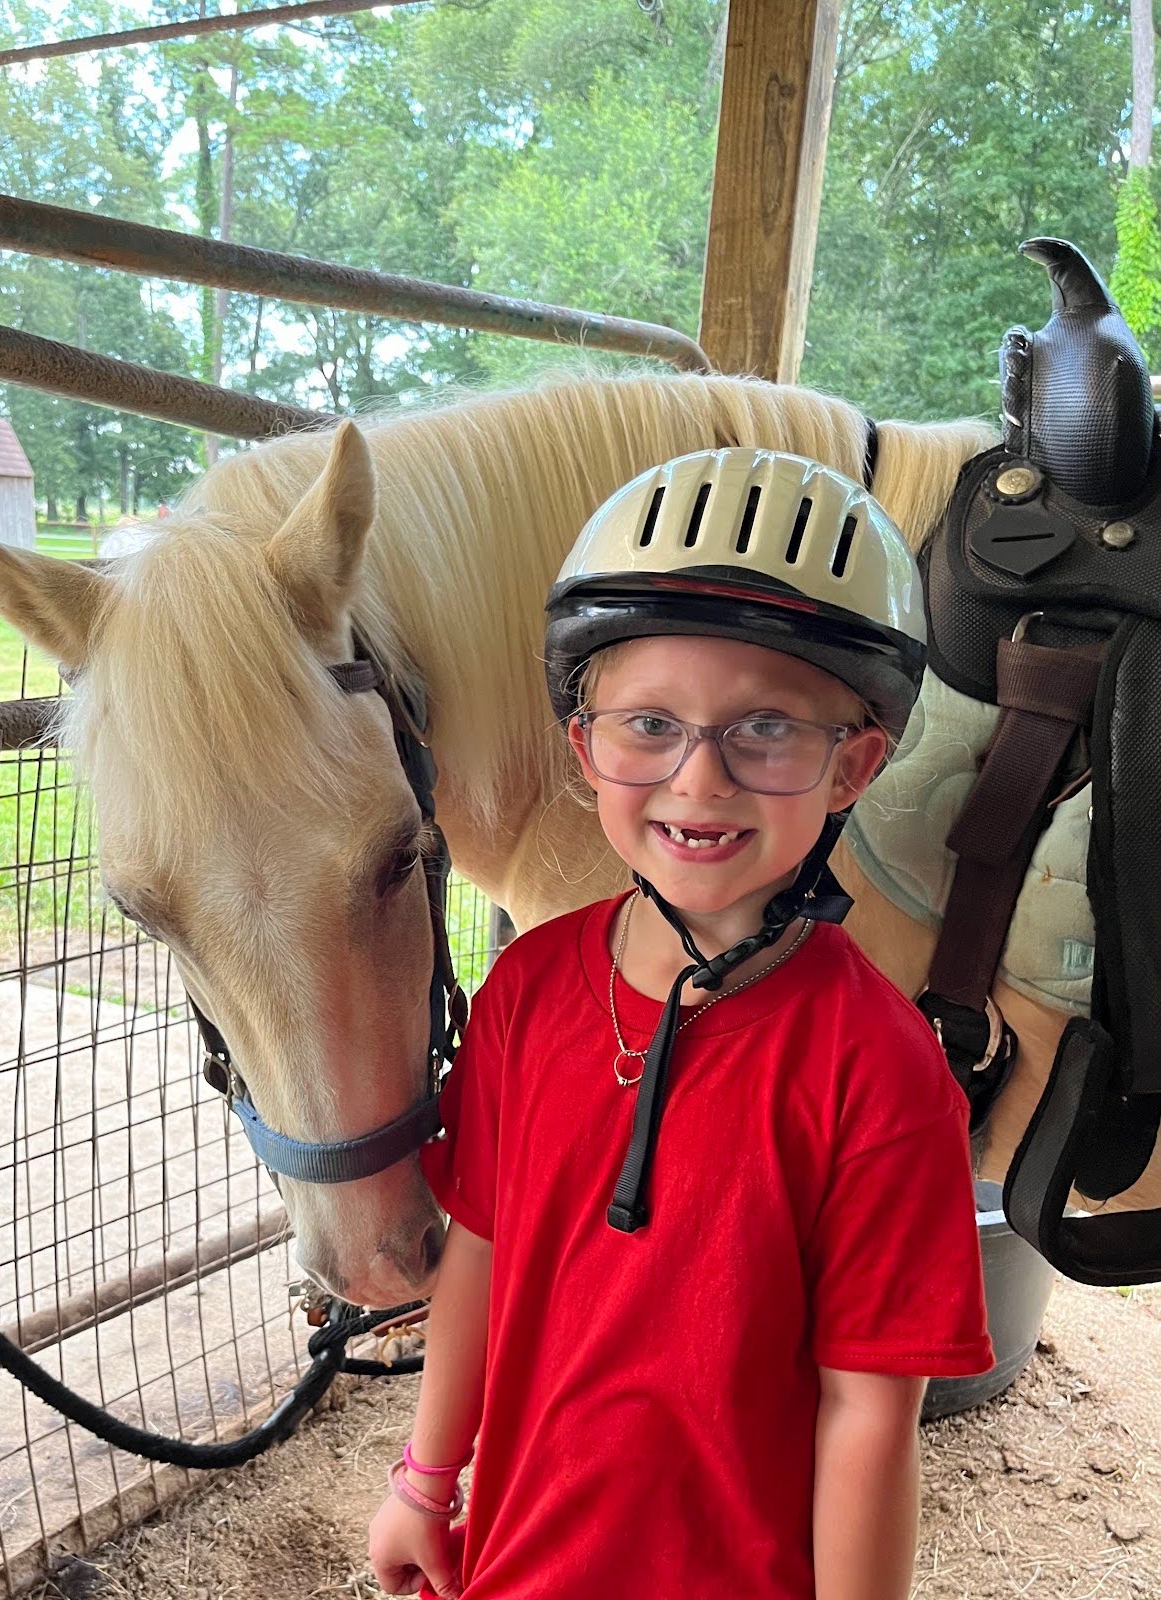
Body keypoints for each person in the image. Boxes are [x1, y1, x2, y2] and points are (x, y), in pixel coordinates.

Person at [368, 448, 994, 1600]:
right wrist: (424, 1477)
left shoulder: (881, 1072)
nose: (700, 781)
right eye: (651, 723)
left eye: (769, 728)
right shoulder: (528, 990)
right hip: (514, 1568)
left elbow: (868, 1414)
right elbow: (485, 1252)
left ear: (853, 765)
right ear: (584, 746)